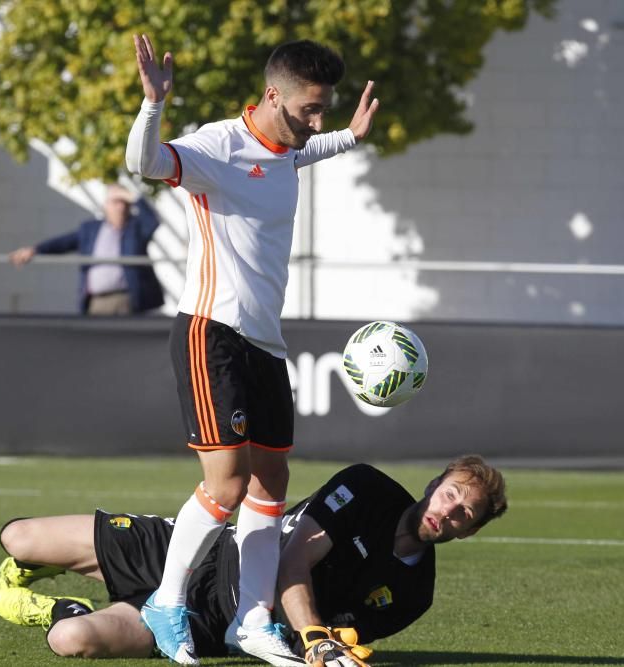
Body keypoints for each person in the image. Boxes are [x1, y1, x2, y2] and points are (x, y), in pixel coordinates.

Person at [123, 33, 380, 666]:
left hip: (265, 342)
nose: (314, 121)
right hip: (213, 331)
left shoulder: (288, 147)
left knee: (272, 482)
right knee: (227, 484)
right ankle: (167, 600)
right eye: (309, 110)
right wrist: (153, 104)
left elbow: (302, 151)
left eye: (323, 110)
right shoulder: (217, 147)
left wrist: (348, 136)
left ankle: (253, 618)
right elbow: (145, 164)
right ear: (273, 96)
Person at [0, 455, 508, 665]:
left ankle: (56, 608)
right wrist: (315, 636)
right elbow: (293, 561)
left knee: (72, 642)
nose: (451, 511)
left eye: (467, 513)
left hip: (210, 623)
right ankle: (22, 570)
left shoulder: (414, 596)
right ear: (435, 484)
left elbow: (337, 639)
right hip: (201, 553)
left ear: (471, 531)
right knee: (18, 536)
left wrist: (323, 646)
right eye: (451, 494)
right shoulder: (366, 486)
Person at [8, 184, 165, 315]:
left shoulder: (135, 228)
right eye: (115, 202)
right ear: (106, 205)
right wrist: (35, 250)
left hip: (126, 299)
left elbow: (152, 220)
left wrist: (130, 195)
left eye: (124, 202)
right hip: (96, 301)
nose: (121, 206)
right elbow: (63, 243)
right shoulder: (90, 229)